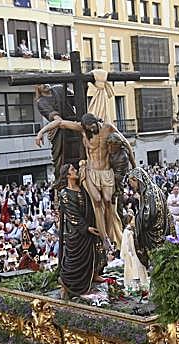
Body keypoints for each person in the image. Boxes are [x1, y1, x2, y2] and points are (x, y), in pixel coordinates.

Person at [37, 113, 136, 246]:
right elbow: (60, 123)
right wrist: (41, 133)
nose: (91, 130)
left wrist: (135, 168)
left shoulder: (108, 128)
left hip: (106, 173)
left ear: (96, 122)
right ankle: (104, 238)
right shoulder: (83, 129)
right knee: (97, 201)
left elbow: (126, 144)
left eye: (93, 127)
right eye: (88, 128)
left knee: (108, 201)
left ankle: (111, 234)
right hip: (91, 172)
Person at [56, 164, 102, 297]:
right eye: (72, 170)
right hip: (76, 232)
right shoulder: (65, 193)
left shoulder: (82, 189)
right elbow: (72, 214)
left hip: (89, 228)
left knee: (90, 256)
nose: (75, 171)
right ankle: (66, 283)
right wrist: (86, 228)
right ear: (67, 175)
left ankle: (91, 276)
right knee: (74, 261)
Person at [127, 168, 171, 268]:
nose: (131, 186)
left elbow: (149, 215)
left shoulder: (149, 193)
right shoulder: (152, 190)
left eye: (131, 183)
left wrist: (136, 219)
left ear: (137, 180)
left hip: (156, 234)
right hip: (160, 231)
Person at [121, 213, 148, 291]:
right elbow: (125, 244)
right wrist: (127, 253)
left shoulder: (133, 230)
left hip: (136, 253)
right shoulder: (127, 231)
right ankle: (134, 286)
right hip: (131, 253)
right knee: (133, 269)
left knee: (138, 267)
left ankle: (140, 285)